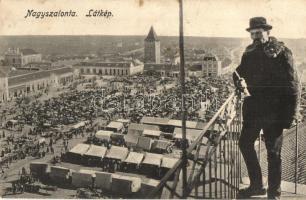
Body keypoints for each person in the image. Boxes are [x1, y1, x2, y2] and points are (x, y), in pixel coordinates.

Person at [233, 17, 301, 199]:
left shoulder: (282, 52)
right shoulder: (249, 53)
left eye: (259, 33)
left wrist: (293, 112)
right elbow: (239, 71)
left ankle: (274, 194)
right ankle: (256, 185)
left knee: (273, 153)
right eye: (252, 33)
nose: (255, 37)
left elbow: (294, 84)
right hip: (254, 110)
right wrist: (237, 80)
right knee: (245, 143)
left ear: (267, 32)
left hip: (275, 111)